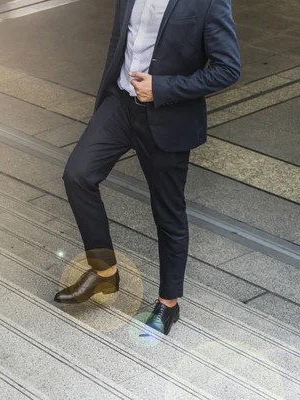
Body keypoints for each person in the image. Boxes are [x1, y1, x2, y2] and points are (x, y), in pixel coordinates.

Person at [54, 0, 241, 336]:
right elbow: (120, 40)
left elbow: (228, 68)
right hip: (120, 105)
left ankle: (169, 304)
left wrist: (163, 88)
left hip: (168, 114)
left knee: (167, 209)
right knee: (78, 175)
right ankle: (106, 273)